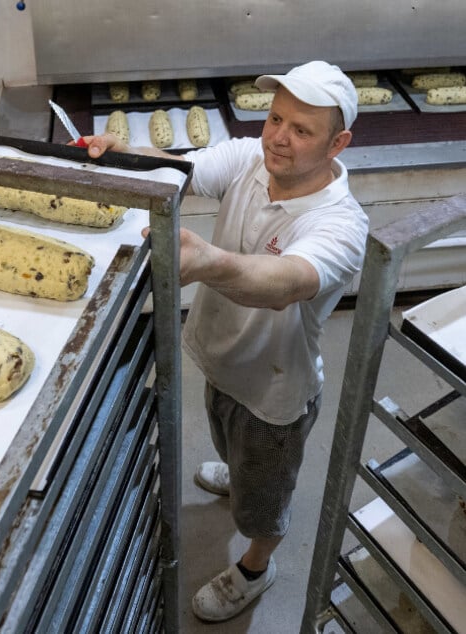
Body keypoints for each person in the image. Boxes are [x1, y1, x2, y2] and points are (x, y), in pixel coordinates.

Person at [84, 61, 369, 622]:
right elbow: (181, 169)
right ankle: (235, 473)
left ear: (338, 143)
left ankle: (256, 570)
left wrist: (209, 261)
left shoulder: (342, 222)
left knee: (261, 506)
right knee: (222, 433)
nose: (278, 137)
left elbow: (287, 283)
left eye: (301, 130)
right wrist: (126, 158)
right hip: (223, 363)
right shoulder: (251, 160)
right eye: (275, 118)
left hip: (273, 396)